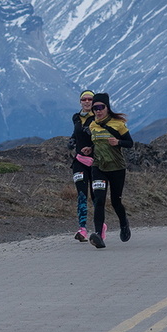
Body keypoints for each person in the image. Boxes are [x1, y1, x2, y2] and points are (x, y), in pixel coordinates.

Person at [87, 93, 133, 249]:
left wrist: (118, 142)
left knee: (115, 201)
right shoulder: (92, 125)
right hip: (98, 167)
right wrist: (90, 149)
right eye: (95, 108)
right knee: (99, 200)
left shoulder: (118, 124)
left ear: (107, 108)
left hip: (116, 167)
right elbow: (97, 143)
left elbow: (129, 143)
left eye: (101, 107)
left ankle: (124, 223)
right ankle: (98, 235)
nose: (98, 111)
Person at [69, 90, 95, 241]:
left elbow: (104, 138)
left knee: (96, 196)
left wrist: (92, 144)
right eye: (84, 99)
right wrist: (72, 140)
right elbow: (76, 133)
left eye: (90, 99)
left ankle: (100, 226)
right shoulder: (76, 117)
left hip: (96, 162)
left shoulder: (99, 117)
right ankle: (82, 229)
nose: (87, 102)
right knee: (81, 194)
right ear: (80, 102)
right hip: (79, 161)